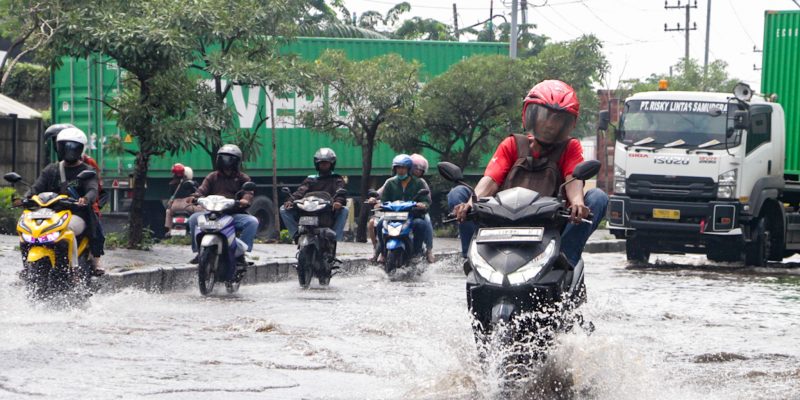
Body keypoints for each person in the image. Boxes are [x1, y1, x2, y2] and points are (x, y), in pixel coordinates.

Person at [448, 79, 608, 266]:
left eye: (558, 119)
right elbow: (490, 180)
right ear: (531, 115)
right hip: (502, 219)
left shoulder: (570, 147)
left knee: (598, 197)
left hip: (551, 222)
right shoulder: (512, 144)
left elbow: (573, 180)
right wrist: (469, 204)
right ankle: (471, 257)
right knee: (457, 194)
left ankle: (565, 259)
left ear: (567, 123)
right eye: (545, 116)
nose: (550, 124)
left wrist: (578, 203)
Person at [25, 127, 105, 275]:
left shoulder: (87, 170)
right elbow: (36, 187)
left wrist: (85, 199)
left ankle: (73, 269)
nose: (69, 151)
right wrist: (26, 197)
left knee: (66, 231)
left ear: (80, 149)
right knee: (28, 230)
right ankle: (27, 268)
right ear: (58, 148)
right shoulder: (51, 169)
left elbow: (92, 189)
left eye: (73, 147)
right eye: (65, 146)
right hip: (51, 213)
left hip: (76, 213)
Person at [187, 144, 258, 266]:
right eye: (223, 157)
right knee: (193, 219)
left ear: (236, 161)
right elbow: (202, 190)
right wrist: (195, 196)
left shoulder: (243, 178)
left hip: (233, 214)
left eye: (229, 158)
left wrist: (245, 200)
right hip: (212, 213)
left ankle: (240, 254)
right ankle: (199, 251)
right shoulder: (212, 176)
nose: (225, 161)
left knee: (252, 222)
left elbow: (248, 193)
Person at [368, 154, 431, 262]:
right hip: (392, 215)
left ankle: (417, 253)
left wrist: (422, 205)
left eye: (403, 168)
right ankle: (382, 252)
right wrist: (378, 204)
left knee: (420, 224)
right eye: (398, 168)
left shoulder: (418, 182)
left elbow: (426, 200)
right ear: (394, 169)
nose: (401, 170)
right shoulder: (390, 182)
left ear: (408, 169)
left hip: (411, 215)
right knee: (380, 223)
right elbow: (384, 199)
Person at [280, 148, 349, 241]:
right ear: (317, 164)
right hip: (309, 208)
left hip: (328, 209)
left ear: (331, 164)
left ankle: (335, 238)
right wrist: (291, 200)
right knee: (283, 209)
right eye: (321, 163)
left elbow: (340, 192)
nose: (324, 164)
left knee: (344, 210)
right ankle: (296, 234)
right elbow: (300, 191)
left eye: (326, 163)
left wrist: (338, 202)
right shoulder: (311, 179)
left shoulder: (337, 179)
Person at [410, 153, 435, 263]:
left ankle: (429, 250)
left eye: (421, 169)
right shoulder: (397, 180)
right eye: (416, 168)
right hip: (400, 212)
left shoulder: (421, 182)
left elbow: (428, 199)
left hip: (416, 212)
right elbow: (383, 191)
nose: (418, 171)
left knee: (427, 221)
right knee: (381, 222)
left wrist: (423, 205)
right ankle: (380, 251)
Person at [164, 163, 203, 233]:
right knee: (203, 211)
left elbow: (171, 194)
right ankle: (201, 229)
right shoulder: (192, 183)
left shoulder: (171, 183)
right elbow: (198, 193)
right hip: (186, 206)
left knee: (168, 211)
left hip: (174, 206)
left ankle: (169, 230)